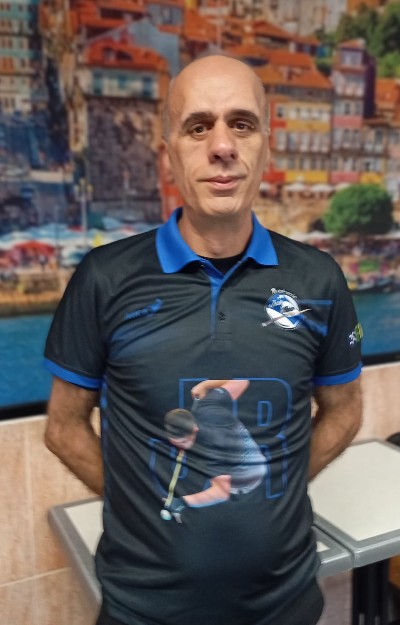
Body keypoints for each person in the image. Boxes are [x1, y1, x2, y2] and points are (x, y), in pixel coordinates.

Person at [43, 54, 362, 625]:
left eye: (242, 124)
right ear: (168, 151)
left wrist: (279, 485)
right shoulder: (104, 278)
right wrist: (138, 503)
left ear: (266, 145)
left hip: (284, 604)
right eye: (198, 127)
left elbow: (344, 410)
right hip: (145, 609)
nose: (222, 146)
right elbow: (63, 428)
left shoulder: (318, 279)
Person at [162, 379, 267, 519]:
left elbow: (221, 493)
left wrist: (182, 502)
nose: (180, 446)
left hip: (250, 479)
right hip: (246, 454)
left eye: (184, 442)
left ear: (195, 429)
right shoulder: (207, 404)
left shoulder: (211, 451)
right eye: (176, 442)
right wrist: (206, 384)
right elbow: (241, 382)